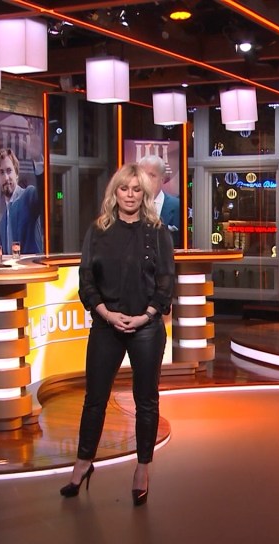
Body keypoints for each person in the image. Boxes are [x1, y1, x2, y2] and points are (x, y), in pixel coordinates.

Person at [60, 163, 174, 506]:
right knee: (94, 399)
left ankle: (142, 468)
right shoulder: (98, 230)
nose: (130, 195)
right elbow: (86, 280)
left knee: (146, 400)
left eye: (137, 189)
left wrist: (144, 316)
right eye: (124, 188)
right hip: (106, 325)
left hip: (146, 327)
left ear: (145, 194)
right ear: (115, 192)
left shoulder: (157, 232)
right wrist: (107, 314)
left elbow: (165, 282)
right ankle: (83, 463)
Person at [137, 155, 181, 247]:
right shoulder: (129, 205)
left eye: (152, 175)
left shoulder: (178, 206)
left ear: (162, 179)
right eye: (143, 175)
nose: (146, 180)